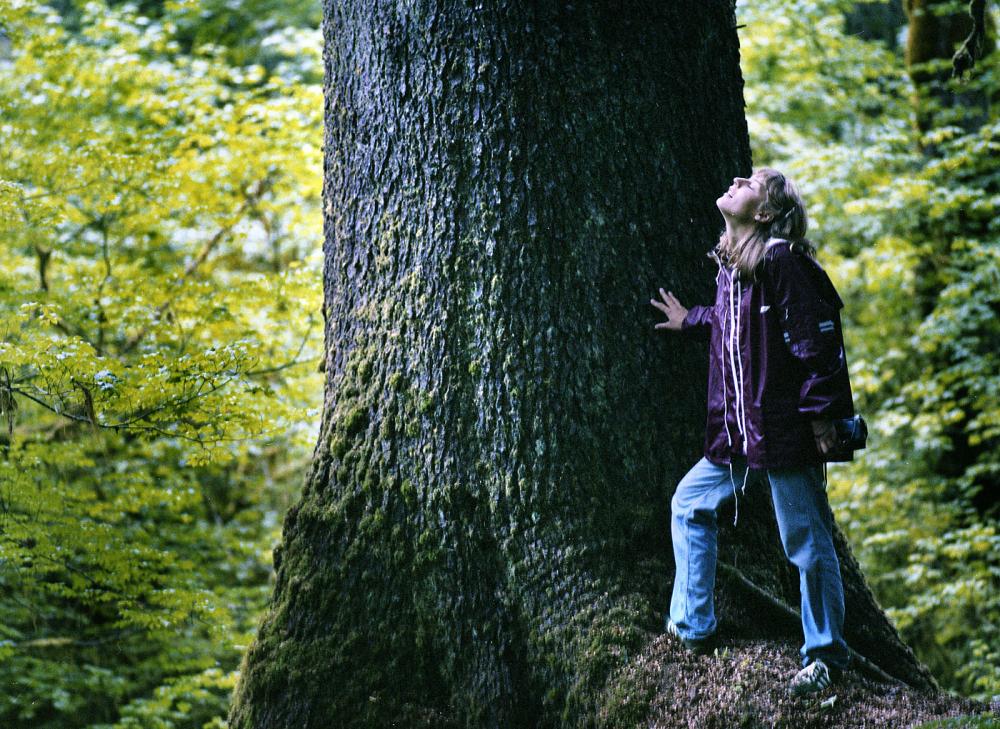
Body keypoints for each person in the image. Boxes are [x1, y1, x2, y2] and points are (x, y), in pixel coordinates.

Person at [649, 168, 856, 697]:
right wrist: (690, 319)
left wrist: (825, 418)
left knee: (806, 543)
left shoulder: (782, 261)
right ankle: (692, 628)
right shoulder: (732, 267)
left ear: (764, 213)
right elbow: (729, 320)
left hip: (782, 434)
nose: (739, 178)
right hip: (737, 435)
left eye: (753, 182)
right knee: (689, 504)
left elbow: (818, 344)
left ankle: (826, 656)